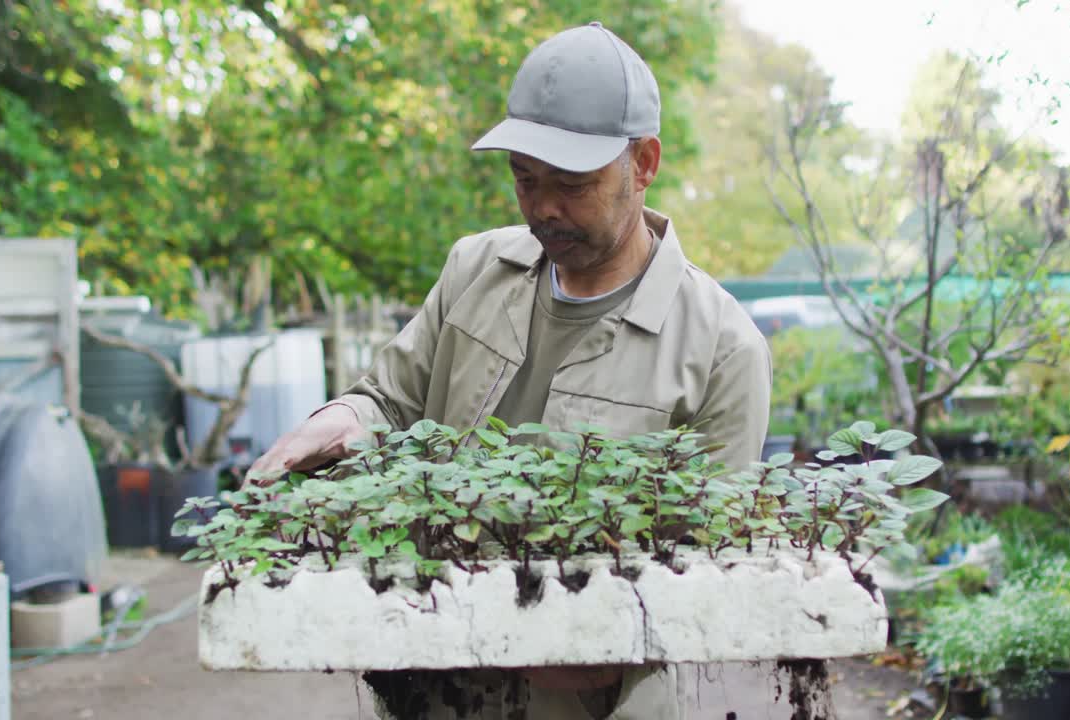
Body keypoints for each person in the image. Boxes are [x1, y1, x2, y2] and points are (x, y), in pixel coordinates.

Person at [248, 21, 771, 719]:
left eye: (572, 184)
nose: (543, 207)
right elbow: (388, 399)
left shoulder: (722, 348)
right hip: (432, 683)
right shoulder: (475, 269)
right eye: (525, 179)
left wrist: (581, 636)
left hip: (590, 701)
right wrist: (340, 420)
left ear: (643, 163)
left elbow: (706, 572)